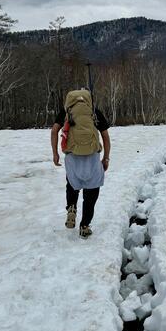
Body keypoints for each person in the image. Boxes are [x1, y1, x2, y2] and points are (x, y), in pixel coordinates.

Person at [51, 89, 111, 239]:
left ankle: (71, 207)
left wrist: (55, 153)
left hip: (72, 157)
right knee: (91, 193)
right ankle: (84, 226)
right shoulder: (93, 112)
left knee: (72, 184)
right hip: (92, 157)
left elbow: (54, 131)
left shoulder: (66, 112)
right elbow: (105, 136)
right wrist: (106, 158)